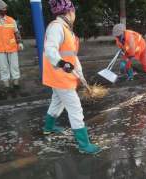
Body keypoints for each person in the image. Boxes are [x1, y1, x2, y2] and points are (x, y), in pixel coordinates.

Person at [43, 0, 101, 154]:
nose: (75, 14)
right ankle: (84, 145)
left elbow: (72, 57)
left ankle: (48, 128)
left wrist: (81, 76)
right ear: (69, 12)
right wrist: (62, 64)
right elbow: (50, 50)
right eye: (74, 11)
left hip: (60, 76)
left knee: (57, 101)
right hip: (60, 76)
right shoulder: (56, 27)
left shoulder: (67, 30)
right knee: (75, 109)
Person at [112, 24, 146, 88]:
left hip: (141, 47)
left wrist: (126, 60)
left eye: (119, 35)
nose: (118, 37)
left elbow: (132, 54)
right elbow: (122, 48)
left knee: (144, 64)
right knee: (126, 63)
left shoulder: (130, 37)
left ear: (123, 32)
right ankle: (130, 76)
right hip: (131, 50)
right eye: (117, 36)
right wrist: (122, 53)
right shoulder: (118, 39)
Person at [0, 0, 23, 90]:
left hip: (12, 48)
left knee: (15, 66)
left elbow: (17, 33)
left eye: (5, 8)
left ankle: (16, 83)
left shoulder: (11, 20)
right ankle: (6, 85)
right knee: (3, 67)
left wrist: (19, 42)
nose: (5, 10)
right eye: (3, 8)